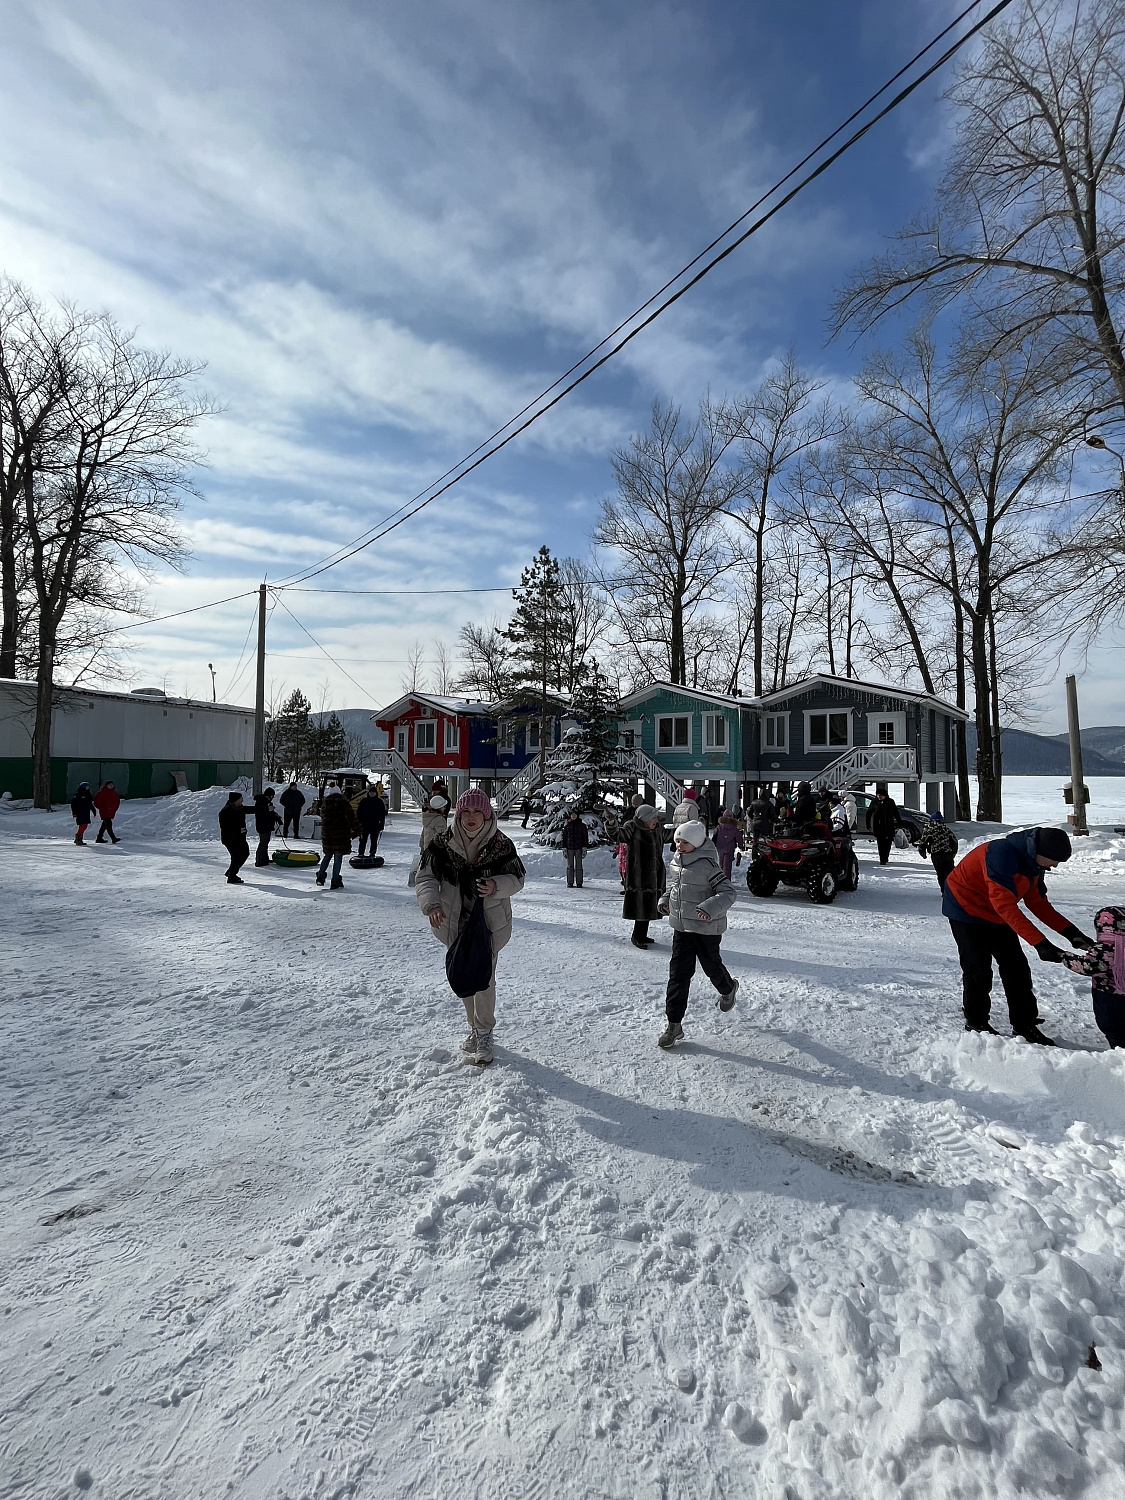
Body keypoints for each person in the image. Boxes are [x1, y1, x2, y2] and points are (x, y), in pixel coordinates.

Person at [942, 826, 1093, 1044]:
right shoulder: (1000, 854)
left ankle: (1024, 1024)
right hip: (965, 909)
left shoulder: (1033, 863)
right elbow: (1004, 904)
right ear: (1039, 851)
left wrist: (1073, 934)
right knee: (977, 967)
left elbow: (1037, 902)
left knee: (1017, 967)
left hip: (996, 911)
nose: (1055, 865)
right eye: (1054, 860)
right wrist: (1041, 943)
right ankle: (976, 1021)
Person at [415, 787, 526, 1066]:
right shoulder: (441, 843)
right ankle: (475, 1030)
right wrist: (432, 905)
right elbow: (426, 876)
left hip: (488, 924)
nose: (471, 817)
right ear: (459, 813)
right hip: (455, 921)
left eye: (478, 811)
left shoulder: (501, 845)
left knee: (484, 977)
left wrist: (496, 885)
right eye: (466, 811)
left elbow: (518, 878)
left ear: (487, 814)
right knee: (463, 976)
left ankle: (485, 1032)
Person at [656, 820, 738, 1048]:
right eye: (678, 841)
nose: (680, 846)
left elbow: (728, 893)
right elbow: (675, 887)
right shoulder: (677, 863)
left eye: (685, 842)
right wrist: (665, 901)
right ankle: (674, 1025)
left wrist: (708, 908)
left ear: (697, 842)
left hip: (706, 929)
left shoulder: (708, 866)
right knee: (678, 976)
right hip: (682, 929)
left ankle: (729, 988)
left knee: (712, 967)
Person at [1061, 907, 1125, 1049]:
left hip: (1108, 998)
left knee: (1115, 1031)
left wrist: (1064, 956)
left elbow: (1087, 966)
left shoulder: (1103, 950)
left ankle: (1120, 1054)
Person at [621, 803, 666, 949]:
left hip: (655, 873)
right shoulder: (632, 828)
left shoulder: (657, 829)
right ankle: (636, 936)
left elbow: (673, 835)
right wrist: (610, 822)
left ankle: (642, 934)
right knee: (640, 906)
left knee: (648, 906)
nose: (656, 820)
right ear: (645, 818)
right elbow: (618, 835)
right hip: (639, 875)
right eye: (654, 817)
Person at [315, 783, 359, 889]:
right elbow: (351, 817)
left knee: (327, 855)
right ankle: (335, 880)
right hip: (340, 834)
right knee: (338, 857)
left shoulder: (325, 804)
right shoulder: (344, 803)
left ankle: (320, 876)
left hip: (328, 834)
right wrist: (357, 830)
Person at [916, 812, 959, 889]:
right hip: (947, 854)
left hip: (936, 855)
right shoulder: (946, 829)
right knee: (949, 873)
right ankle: (951, 889)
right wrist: (953, 853)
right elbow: (954, 842)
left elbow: (922, 843)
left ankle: (944, 889)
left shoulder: (929, 830)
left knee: (940, 874)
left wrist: (923, 853)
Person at [218, 791, 252, 884]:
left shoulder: (239, 808)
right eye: (240, 799)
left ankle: (231, 871)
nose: (242, 801)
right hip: (230, 839)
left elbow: (251, 809)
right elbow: (226, 827)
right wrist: (239, 830)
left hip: (240, 838)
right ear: (235, 801)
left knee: (245, 853)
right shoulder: (225, 811)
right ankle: (232, 876)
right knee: (236, 857)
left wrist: (266, 808)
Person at [866, 787, 900, 864]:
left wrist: (899, 822)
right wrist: (868, 824)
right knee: (880, 843)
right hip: (878, 826)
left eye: (881, 795)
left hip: (889, 826)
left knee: (888, 843)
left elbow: (896, 812)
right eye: (878, 795)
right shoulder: (874, 802)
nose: (879, 797)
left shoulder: (890, 802)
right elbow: (869, 813)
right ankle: (882, 859)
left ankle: (886, 856)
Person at [356, 783, 388, 859]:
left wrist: (381, 825)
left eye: (373, 793)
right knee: (363, 840)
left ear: (376, 793)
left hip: (375, 825)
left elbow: (382, 815)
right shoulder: (364, 801)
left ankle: (372, 853)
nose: (372, 794)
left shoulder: (379, 802)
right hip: (364, 824)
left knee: (374, 841)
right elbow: (359, 812)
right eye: (370, 792)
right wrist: (359, 822)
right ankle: (361, 853)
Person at [252, 787, 281, 866]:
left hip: (267, 825)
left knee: (265, 843)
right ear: (269, 795)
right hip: (262, 826)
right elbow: (260, 813)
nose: (273, 798)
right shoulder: (260, 802)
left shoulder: (266, 802)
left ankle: (264, 859)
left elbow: (269, 813)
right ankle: (259, 861)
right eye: (272, 796)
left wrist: (275, 816)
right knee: (263, 844)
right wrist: (268, 810)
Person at [561, 809, 589, 888]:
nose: (573, 816)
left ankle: (579, 882)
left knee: (579, 866)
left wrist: (584, 847)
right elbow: (564, 837)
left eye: (575, 814)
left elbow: (585, 837)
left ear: (577, 815)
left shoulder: (582, 825)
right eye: (572, 815)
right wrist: (564, 848)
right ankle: (570, 882)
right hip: (569, 848)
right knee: (570, 866)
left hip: (579, 848)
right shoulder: (567, 826)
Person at [712, 811, 744, 881]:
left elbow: (714, 835)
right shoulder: (734, 828)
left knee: (721, 864)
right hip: (729, 848)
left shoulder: (719, 827)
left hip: (720, 847)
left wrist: (714, 844)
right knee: (727, 866)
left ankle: (721, 880)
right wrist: (741, 846)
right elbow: (739, 837)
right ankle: (726, 881)